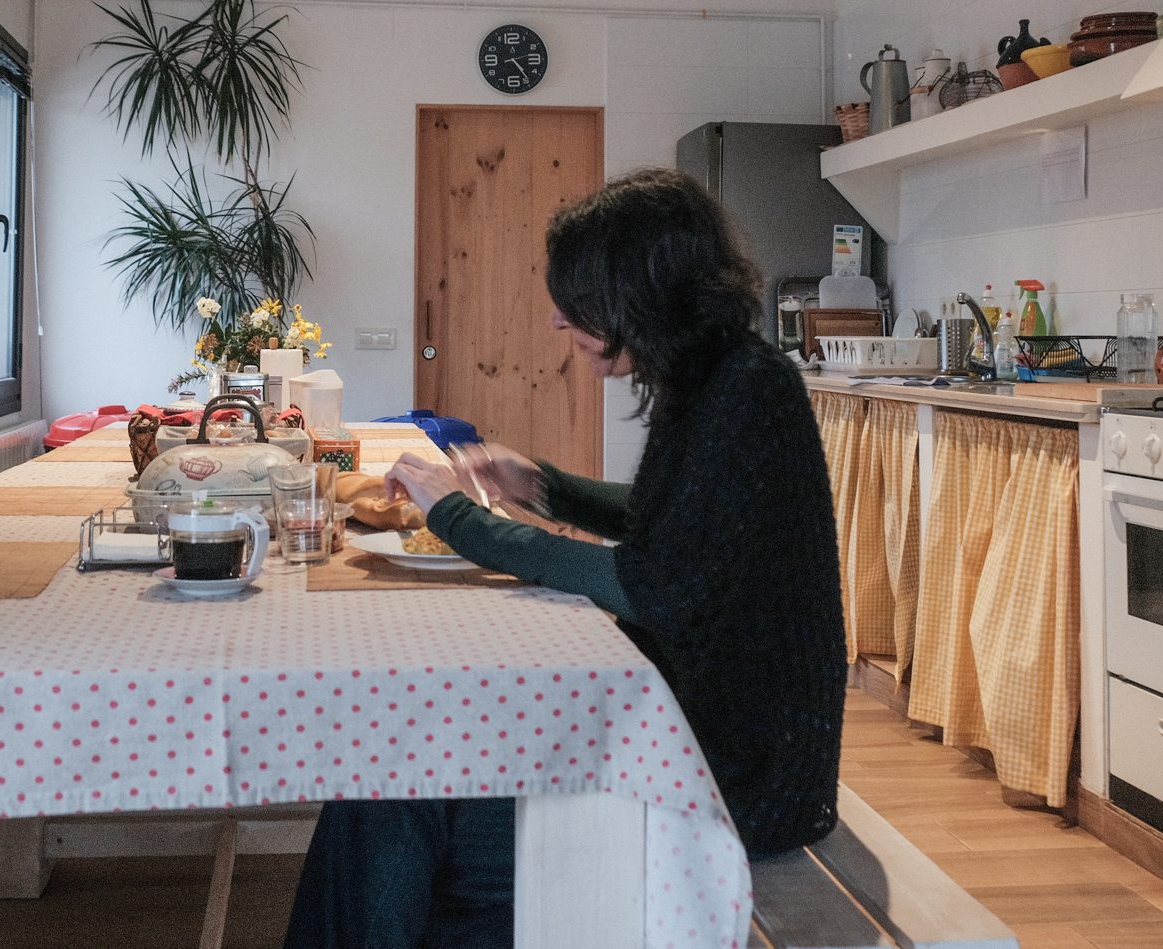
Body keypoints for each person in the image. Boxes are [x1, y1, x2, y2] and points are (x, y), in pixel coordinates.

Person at [282, 167, 846, 948]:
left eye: (574, 299)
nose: (555, 318)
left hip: (730, 784)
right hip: (697, 740)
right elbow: (679, 527)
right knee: (395, 778)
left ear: (637, 292)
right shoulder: (723, 379)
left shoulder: (746, 393)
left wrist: (456, 515)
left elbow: (650, 583)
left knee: (392, 798)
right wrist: (541, 485)